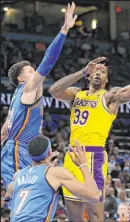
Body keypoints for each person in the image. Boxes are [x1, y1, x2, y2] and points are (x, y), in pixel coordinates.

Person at [49, 33, 130, 221]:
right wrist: (82, 71)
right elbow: (54, 90)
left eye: (103, 72)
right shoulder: (77, 94)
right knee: (74, 216)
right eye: (96, 70)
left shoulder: (110, 97)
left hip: (94, 156)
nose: (98, 72)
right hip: (72, 156)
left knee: (95, 215)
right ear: (89, 75)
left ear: (106, 80)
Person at [1, 2, 77, 191]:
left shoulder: (16, 99)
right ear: (20, 78)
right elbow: (48, 60)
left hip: (18, 149)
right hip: (21, 150)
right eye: (30, 71)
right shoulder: (28, 89)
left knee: (21, 199)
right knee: (23, 195)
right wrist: (64, 30)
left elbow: (3, 132)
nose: (34, 72)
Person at [8, 135, 100, 222]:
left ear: (29, 154)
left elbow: (16, 195)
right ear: (49, 152)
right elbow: (94, 197)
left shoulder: (18, 175)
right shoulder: (56, 173)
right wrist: (83, 165)